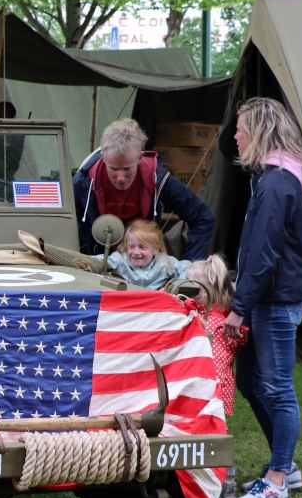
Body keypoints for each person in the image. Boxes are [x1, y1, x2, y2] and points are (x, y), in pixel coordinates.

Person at [224, 97, 302, 498]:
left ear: (260, 129)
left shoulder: (277, 184)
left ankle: (278, 479)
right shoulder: (271, 179)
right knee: (251, 382)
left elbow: (263, 253)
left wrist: (240, 306)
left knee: (277, 387)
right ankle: (285, 463)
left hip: (273, 300)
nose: (236, 135)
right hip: (267, 297)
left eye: (242, 128)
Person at [73, 118, 215, 260]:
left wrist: (189, 266)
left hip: (143, 268)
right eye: (114, 169)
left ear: (140, 157)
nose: (121, 178)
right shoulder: (84, 181)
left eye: (127, 169)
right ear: (103, 158)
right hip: (94, 266)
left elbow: (203, 218)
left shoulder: (157, 179)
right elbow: (63, 223)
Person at [186, 254, 245, 415]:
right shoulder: (192, 313)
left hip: (213, 383)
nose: (188, 291)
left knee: (213, 423)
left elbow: (231, 349)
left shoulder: (222, 321)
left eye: (194, 289)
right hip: (195, 379)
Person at [95, 219, 190, 289]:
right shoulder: (120, 259)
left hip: (156, 302)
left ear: (155, 249)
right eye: (131, 246)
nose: (136, 252)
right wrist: (86, 262)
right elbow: (99, 261)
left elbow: (186, 267)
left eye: (142, 247)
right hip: (126, 300)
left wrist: (175, 286)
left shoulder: (165, 263)